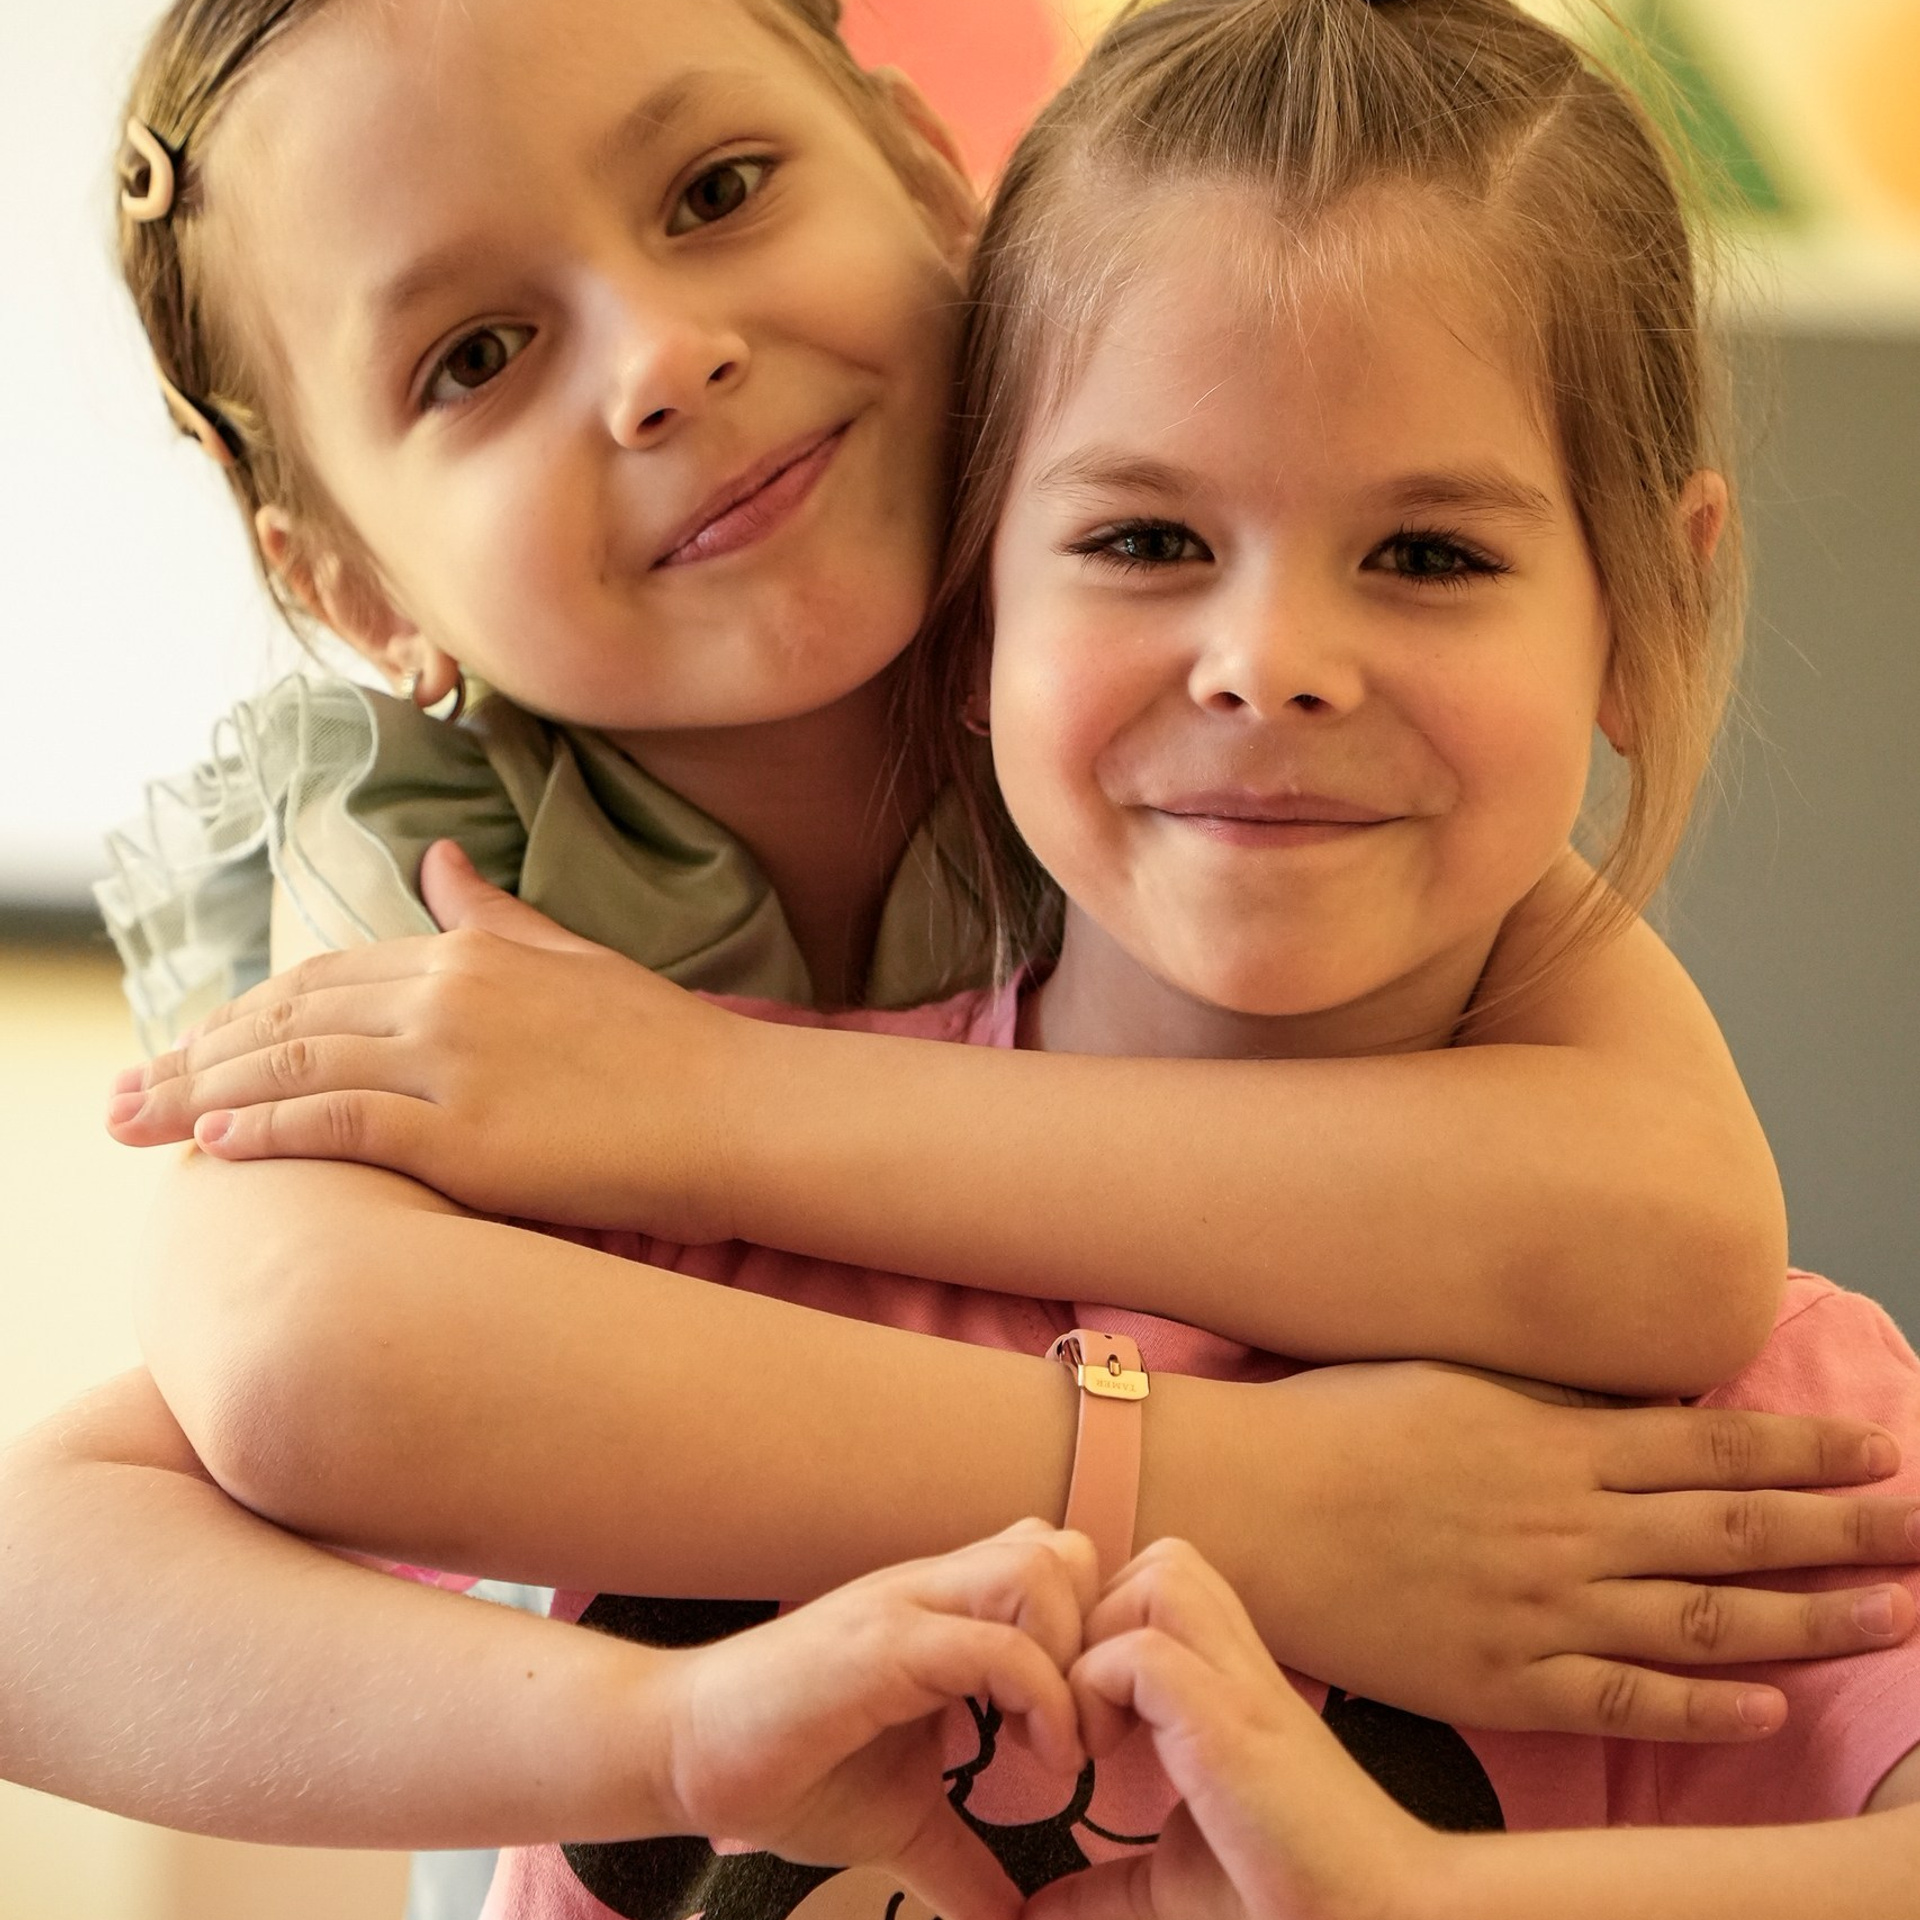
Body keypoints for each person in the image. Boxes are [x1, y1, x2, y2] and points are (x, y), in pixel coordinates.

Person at [5, 0, 1915, 1908]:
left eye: (719, 186)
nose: (666, 360)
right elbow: (265, 1376)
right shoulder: (437, 892)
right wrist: (1258, 1510)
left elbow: (1663, 1237)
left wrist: (700, 1095)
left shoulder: (1213, 795)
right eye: (476, 352)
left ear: (929, 174)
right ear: (343, 585)